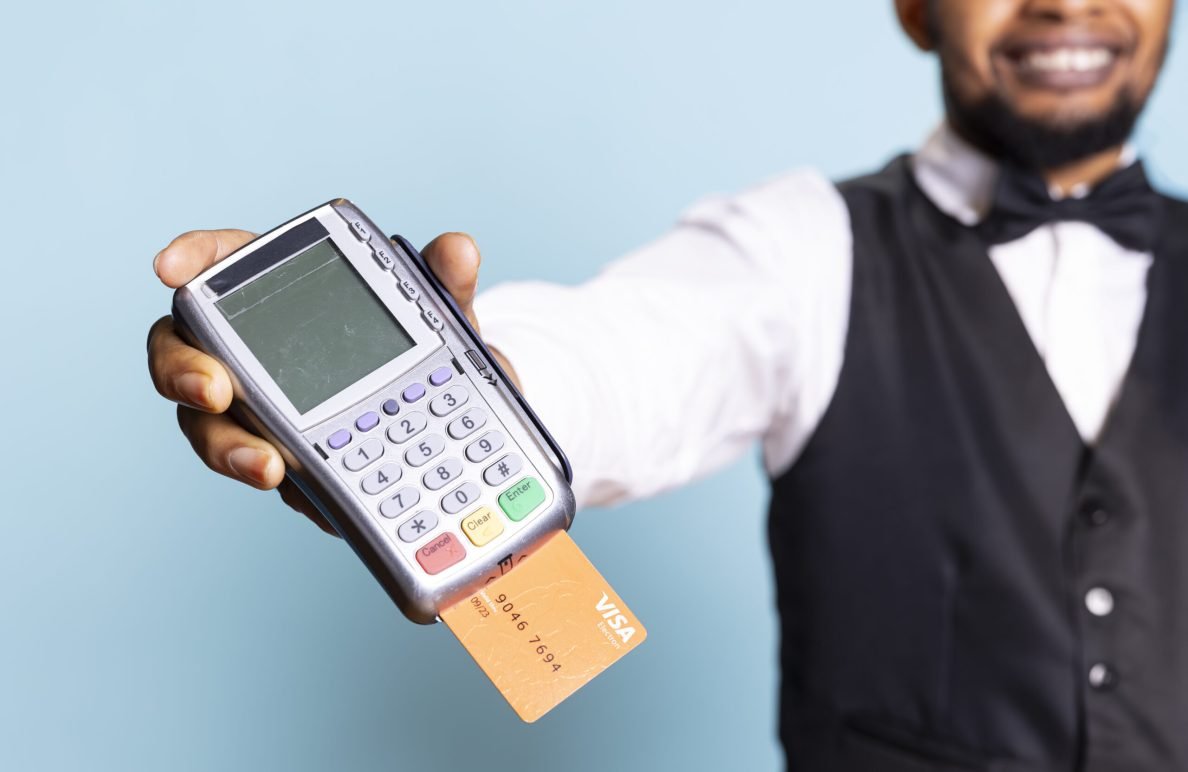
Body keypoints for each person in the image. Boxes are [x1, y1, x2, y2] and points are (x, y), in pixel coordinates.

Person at [146, 0, 1187, 768]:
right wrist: (492, 394)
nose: (1068, 3)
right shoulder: (801, 248)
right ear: (915, 10)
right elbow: (620, 355)